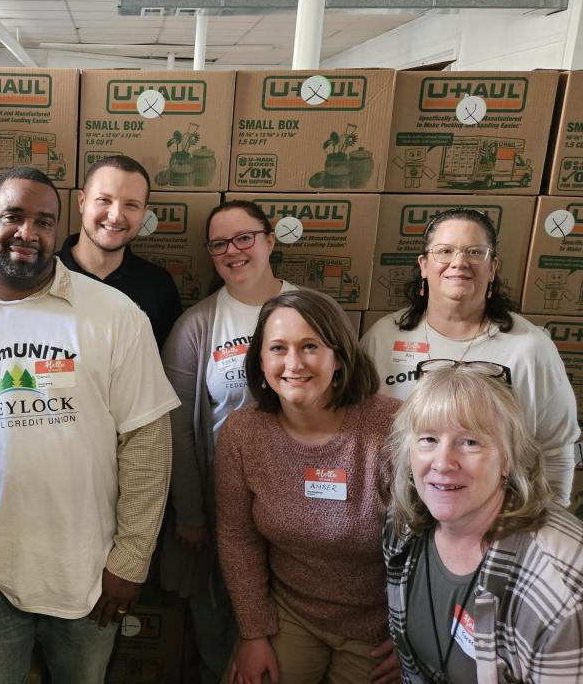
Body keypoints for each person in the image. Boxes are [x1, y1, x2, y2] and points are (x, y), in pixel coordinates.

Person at [0, 167, 179, 684]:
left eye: (44, 221)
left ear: (60, 230)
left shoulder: (116, 315)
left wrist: (132, 558)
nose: (27, 233)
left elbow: (146, 439)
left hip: (89, 570)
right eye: (13, 216)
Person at [216, 289, 401, 684]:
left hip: (379, 627)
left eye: (310, 346)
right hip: (289, 613)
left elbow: (433, 543)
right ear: (261, 361)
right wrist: (253, 632)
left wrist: (415, 636)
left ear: (338, 358)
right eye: (278, 348)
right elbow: (237, 538)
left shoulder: (393, 426)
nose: (294, 363)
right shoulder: (243, 433)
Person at [160, 199, 298, 683]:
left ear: (269, 240)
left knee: (288, 643)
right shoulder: (197, 326)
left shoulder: (314, 312)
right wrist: (192, 513)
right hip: (223, 513)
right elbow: (176, 426)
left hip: (299, 510)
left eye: (245, 238)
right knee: (220, 638)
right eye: (219, 243)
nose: (233, 251)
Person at [361, 207, 578, 504]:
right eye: (445, 251)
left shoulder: (529, 347)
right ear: (424, 265)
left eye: (475, 252)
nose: (459, 262)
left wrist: (550, 521)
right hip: (397, 515)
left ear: (493, 268)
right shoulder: (384, 337)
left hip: (497, 519)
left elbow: (555, 448)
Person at [384, 364, 583, 682]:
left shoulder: (560, 584)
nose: (443, 463)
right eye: (429, 439)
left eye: (470, 442)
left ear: (508, 460)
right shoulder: (403, 525)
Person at [58, 154, 181, 347]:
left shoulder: (159, 286)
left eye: (131, 205)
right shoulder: (43, 276)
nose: (115, 216)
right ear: (82, 201)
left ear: (144, 213)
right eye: (104, 200)